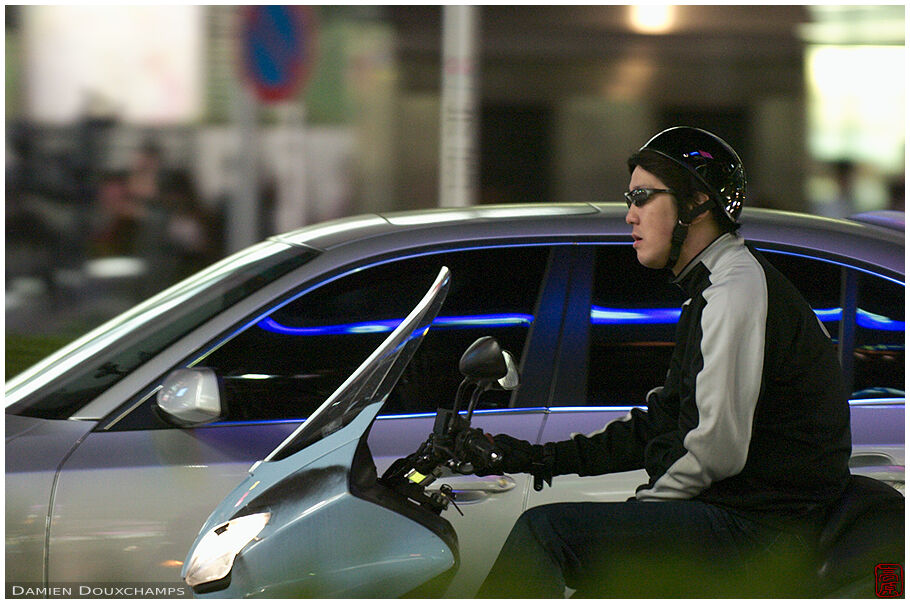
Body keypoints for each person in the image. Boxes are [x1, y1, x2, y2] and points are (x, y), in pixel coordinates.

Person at [471, 127, 852, 598]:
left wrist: (645, 511)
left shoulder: (736, 293)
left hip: (765, 531)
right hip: (748, 520)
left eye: (642, 197)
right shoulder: (713, 289)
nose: (629, 215)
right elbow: (666, 422)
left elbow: (715, 448)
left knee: (545, 534)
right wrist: (541, 458)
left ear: (696, 203)